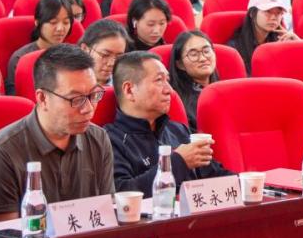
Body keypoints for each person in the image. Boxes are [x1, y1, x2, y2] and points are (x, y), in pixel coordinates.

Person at [0, 45, 113, 221]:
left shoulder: (98, 139)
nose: (88, 109)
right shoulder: (2, 152)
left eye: (94, 95)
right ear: (42, 98)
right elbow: (6, 233)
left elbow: (105, 215)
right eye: (76, 99)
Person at [104, 51, 231, 195]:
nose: (169, 90)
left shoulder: (178, 130)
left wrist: (247, 183)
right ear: (129, 90)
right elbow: (122, 193)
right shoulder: (109, 140)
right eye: (159, 80)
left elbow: (215, 174)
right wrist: (178, 162)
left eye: (168, 80)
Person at [6, 0, 73, 93]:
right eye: (53, 22)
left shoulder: (73, 55)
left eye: (66, 22)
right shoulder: (20, 58)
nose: (60, 29)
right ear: (37, 22)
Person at [228, 0, 298, 74]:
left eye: (278, 13)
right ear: (252, 14)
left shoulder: (281, 41)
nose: (273, 18)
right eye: (267, 12)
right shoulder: (235, 47)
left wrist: (297, 45)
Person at [168, 30, 221, 132]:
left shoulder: (223, 90)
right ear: (180, 64)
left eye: (206, 51)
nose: (203, 58)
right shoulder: (178, 102)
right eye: (193, 54)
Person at [79, 19, 129, 86]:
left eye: (118, 57)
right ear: (85, 49)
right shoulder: (68, 82)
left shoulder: (125, 85)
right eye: (105, 55)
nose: (111, 63)